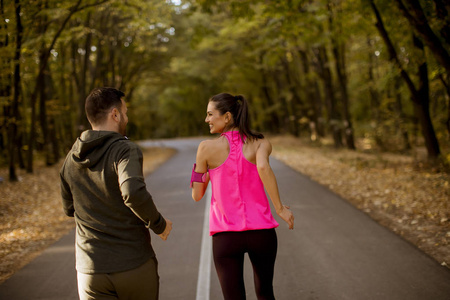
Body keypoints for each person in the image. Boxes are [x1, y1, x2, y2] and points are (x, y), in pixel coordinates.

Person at [60, 87, 172, 300]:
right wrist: (159, 224)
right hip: (132, 264)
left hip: (90, 271)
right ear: (115, 114)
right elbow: (132, 192)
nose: (127, 118)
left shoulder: (70, 159)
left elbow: (69, 208)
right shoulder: (124, 150)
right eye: (125, 112)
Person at [190, 92, 294, 300]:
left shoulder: (205, 148)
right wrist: (280, 208)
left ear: (227, 117)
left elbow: (197, 195)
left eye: (210, 114)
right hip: (262, 233)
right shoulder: (260, 142)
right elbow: (263, 166)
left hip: (226, 236)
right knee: (265, 292)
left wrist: (206, 170)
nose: (206, 120)